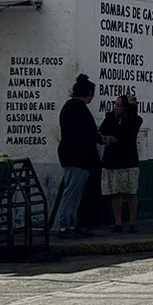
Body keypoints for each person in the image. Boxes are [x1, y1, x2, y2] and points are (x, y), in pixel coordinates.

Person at [54, 73, 101, 238]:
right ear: (89, 94)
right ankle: (64, 226)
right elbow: (88, 132)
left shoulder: (70, 107)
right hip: (78, 157)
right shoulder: (78, 108)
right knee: (72, 193)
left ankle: (71, 225)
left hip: (74, 156)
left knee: (74, 192)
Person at [98, 92, 143, 232]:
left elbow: (124, 133)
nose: (115, 107)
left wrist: (112, 136)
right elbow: (102, 131)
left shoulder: (134, 120)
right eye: (115, 104)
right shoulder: (110, 118)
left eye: (119, 105)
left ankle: (132, 222)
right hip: (112, 159)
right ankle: (118, 222)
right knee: (115, 193)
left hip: (128, 160)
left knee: (131, 193)